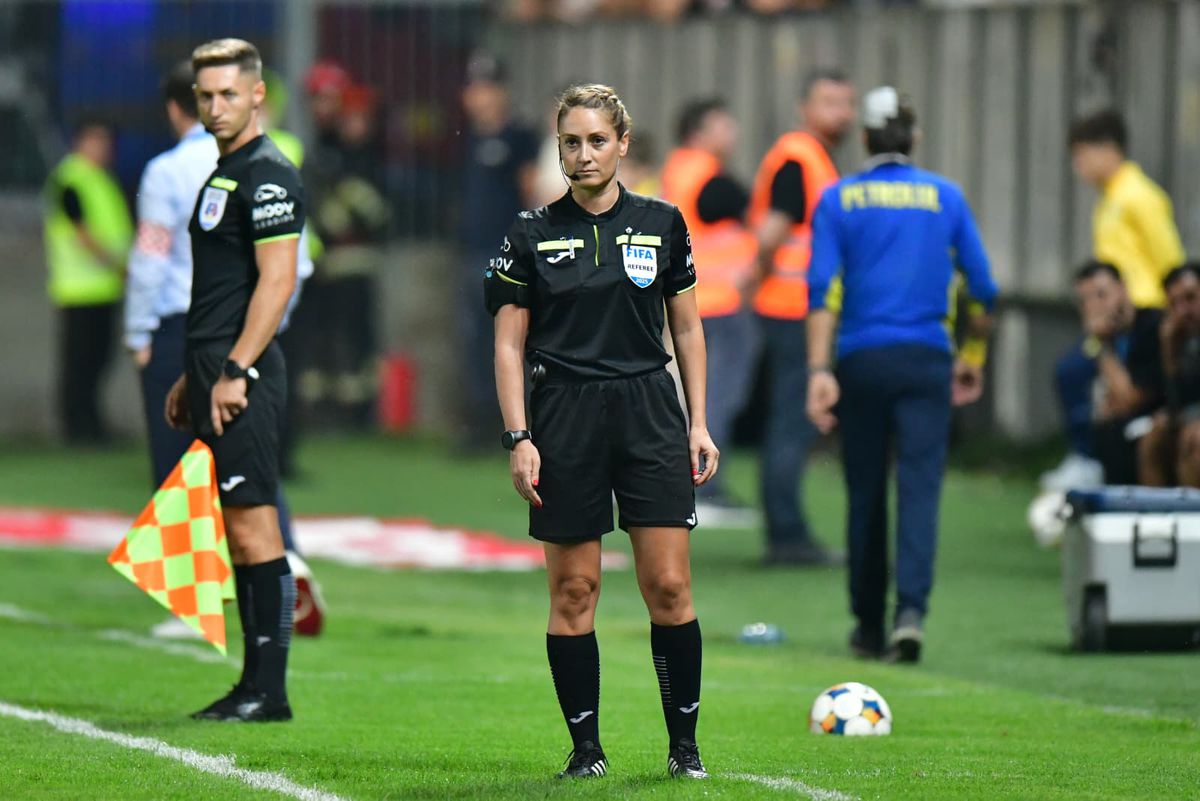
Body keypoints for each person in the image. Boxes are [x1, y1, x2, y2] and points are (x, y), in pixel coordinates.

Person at [485, 84, 717, 780]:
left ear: (623, 144)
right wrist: (519, 436)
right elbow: (507, 347)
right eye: (571, 142)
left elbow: (687, 328)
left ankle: (684, 749)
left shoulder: (663, 222)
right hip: (564, 416)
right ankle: (586, 750)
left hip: (649, 411)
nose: (583, 154)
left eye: (596, 141)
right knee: (575, 590)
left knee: (668, 586)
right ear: (558, 148)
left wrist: (698, 422)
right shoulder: (527, 233)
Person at [125, 60, 326, 640]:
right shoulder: (274, 164)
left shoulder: (167, 171)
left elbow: (150, 257)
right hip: (254, 331)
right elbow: (297, 262)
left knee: (180, 465)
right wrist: (268, 328)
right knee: (249, 457)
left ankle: (194, 605)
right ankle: (288, 563)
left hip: (185, 330)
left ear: (175, 108)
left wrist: (139, 333)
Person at [805, 87, 998, 664]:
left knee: (865, 490)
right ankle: (910, 614)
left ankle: (867, 624)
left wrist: (819, 369)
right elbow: (983, 289)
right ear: (914, 138)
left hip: (861, 360)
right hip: (926, 360)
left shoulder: (838, 198)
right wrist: (972, 356)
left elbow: (822, 290)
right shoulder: (946, 197)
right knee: (919, 490)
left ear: (864, 138)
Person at [164, 38, 305, 721]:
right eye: (205, 95)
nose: (216, 107)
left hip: (242, 372)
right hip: (214, 367)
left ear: (257, 95)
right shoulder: (226, 172)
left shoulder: (269, 174)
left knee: (255, 529)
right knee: (237, 528)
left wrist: (234, 369)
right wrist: (193, 375)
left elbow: (277, 283)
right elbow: (221, 288)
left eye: (228, 94)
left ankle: (268, 691)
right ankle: (251, 685)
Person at [1045, 110, 1186, 489]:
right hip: (1112, 317)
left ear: (1108, 149)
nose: (1078, 167)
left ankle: (1089, 459)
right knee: (1076, 373)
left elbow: (1169, 259)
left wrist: (1174, 315)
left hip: (1144, 315)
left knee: (1081, 372)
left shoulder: (1141, 197)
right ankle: (1090, 456)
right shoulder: (1107, 201)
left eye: (1081, 155)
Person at [748, 69, 855, 565]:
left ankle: (786, 532)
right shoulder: (799, 157)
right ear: (804, 108)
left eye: (846, 103)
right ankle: (787, 536)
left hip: (796, 308)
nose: (842, 113)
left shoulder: (812, 158)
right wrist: (756, 276)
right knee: (792, 423)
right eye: (829, 102)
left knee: (791, 422)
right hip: (793, 310)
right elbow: (772, 234)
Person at [661, 98, 759, 524]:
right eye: (723, 125)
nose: (732, 133)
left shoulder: (677, 171)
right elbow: (750, 210)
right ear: (698, 132)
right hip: (721, 302)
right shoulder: (706, 176)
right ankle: (705, 484)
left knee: (696, 396)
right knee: (718, 396)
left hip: (696, 301)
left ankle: (684, 481)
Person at [461, 52, 540, 449]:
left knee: (514, 339)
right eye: (475, 88)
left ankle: (523, 425)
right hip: (472, 252)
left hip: (506, 253)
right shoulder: (468, 139)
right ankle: (480, 426)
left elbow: (530, 192)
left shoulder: (519, 136)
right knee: (476, 339)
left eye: (488, 88)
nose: (481, 96)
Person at [43, 117, 133, 446]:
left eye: (106, 141)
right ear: (78, 142)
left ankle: (92, 424)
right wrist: (119, 267)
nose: (102, 147)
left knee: (98, 359)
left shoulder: (101, 179)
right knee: (81, 362)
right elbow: (82, 233)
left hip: (104, 288)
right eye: (95, 140)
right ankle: (77, 427)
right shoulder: (70, 180)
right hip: (79, 289)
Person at [1064, 261, 1164, 484]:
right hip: (1123, 427)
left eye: (1102, 295)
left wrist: (1101, 344)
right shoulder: (1110, 338)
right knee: (1068, 372)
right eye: (1085, 301)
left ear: (1123, 288)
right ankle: (1083, 460)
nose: (1094, 307)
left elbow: (1129, 399)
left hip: (1159, 418)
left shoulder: (1152, 326)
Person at [1140, 264, 1200, 487]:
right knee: (1153, 437)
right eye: (1174, 304)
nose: (1183, 311)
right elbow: (1175, 404)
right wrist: (1168, 353)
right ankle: (1156, 508)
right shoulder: (1180, 339)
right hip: (1191, 418)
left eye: (1190, 298)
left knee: (1194, 438)